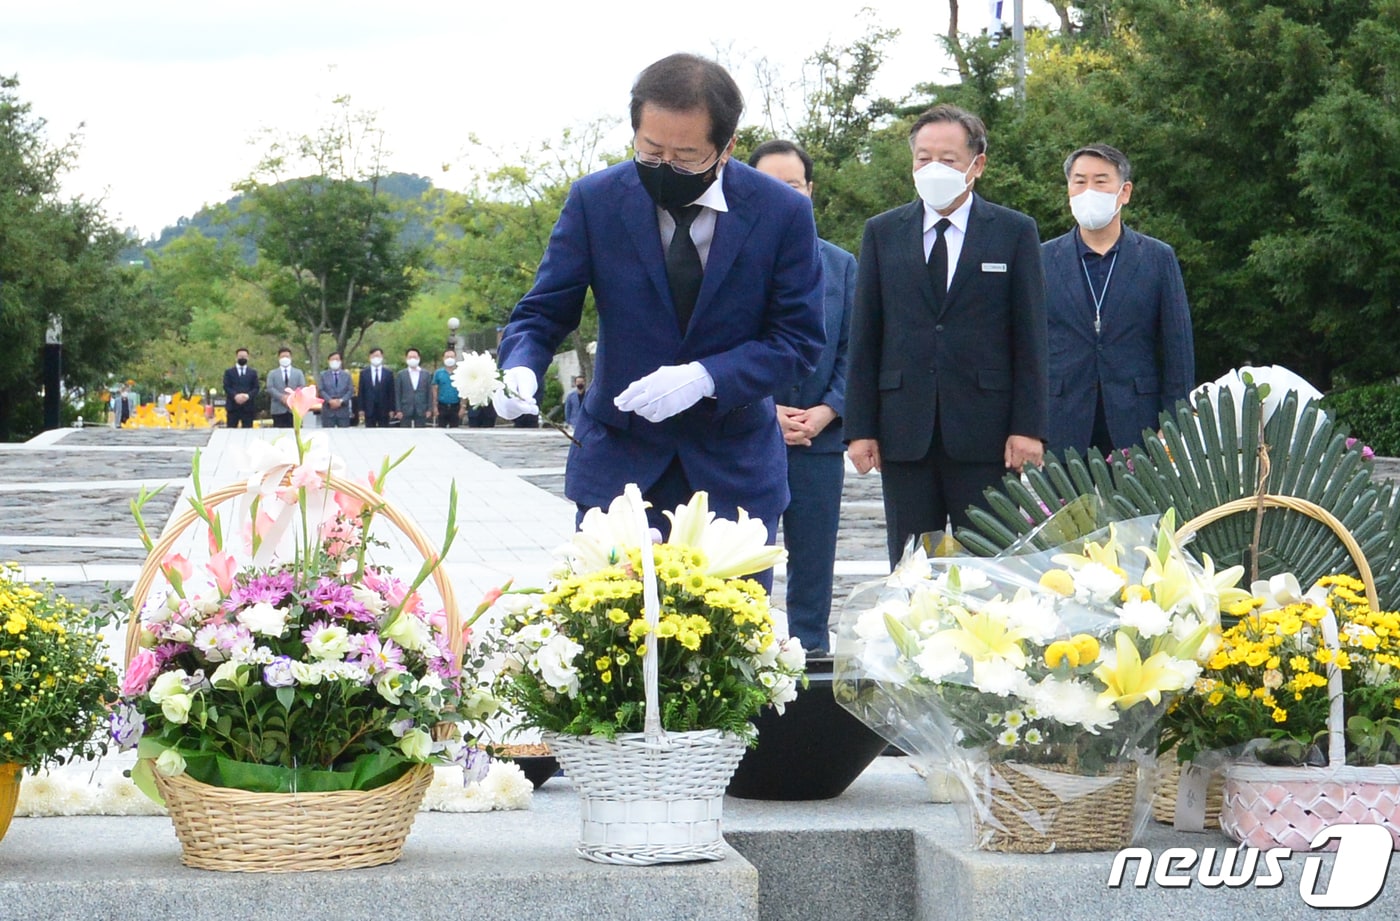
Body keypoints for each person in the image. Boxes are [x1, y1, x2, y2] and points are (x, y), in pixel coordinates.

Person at [491, 53, 825, 583]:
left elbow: (798, 342)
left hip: (731, 473)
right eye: (651, 151)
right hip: (620, 468)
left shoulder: (780, 212)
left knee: (726, 654)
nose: (666, 167)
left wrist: (706, 377)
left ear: (727, 146)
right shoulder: (596, 200)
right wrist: (520, 365)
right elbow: (542, 312)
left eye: (687, 156)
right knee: (610, 651)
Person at [845, 103, 1048, 568]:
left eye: (948, 159)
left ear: (977, 165)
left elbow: (1032, 337)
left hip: (987, 431)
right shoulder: (883, 233)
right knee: (915, 566)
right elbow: (866, 335)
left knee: (989, 564)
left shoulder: (1013, 233)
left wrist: (1029, 427)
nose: (933, 168)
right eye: (923, 157)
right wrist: (860, 429)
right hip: (905, 431)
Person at [749, 139, 855, 656]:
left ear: (809, 191)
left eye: (792, 186)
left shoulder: (841, 266)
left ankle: (811, 654)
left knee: (815, 560)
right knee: (748, 561)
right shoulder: (732, 266)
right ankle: (749, 658)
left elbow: (856, 347)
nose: (783, 196)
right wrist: (765, 411)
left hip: (821, 438)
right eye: (769, 186)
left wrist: (829, 408)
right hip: (749, 438)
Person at [1042, 144, 1194, 458]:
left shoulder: (1156, 257)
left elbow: (1177, 345)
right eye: (1079, 181)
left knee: (1140, 509)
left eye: (1100, 181)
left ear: (1124, 192)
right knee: (1065, 507)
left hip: (1138, 417)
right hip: (1062, 417)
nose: (1088, 191)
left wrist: (1175, 418)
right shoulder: (1041, 259)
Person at [266, 347, 307, 429]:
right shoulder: (272, 373)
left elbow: (302, 387)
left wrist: (291, 397)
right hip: (278, 409)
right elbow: (270, 388)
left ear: (291, 358)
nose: (285, 359)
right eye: (282, 357)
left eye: (287, 357)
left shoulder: (298, 373)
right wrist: (282, 397)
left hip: (294, 409)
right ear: (278, 358)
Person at [394, 348, 433, 428]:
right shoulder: (401, 374)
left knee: (421, 434)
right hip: (405, 409)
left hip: (421, 409)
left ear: (419, 358)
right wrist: (398, 410)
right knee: (404, 433)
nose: (412, 359)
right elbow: (397, 393)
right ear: (406, 359)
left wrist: (429, 409)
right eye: (410, 357)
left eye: (414, 357)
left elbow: (429, 393)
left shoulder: (426, 374)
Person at [222, 347, 259, 429]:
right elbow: (226, 386)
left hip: (248, 407)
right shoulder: (229, 372)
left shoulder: (253, 373)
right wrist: (235, 396)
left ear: (248, 358)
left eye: (244, 356)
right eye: (240, 356)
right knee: (231, 431)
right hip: (233, 407)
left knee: (248, 431)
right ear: (236, 357)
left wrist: (247, 396)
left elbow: (256, 388)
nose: (242, 358)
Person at [358, 348, 395, 428]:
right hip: (369, 409)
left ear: (382, 357)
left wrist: (392, 409)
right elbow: (361, 392)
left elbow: (391, 392)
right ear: (370, 357)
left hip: (384, 409)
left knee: (384, 432)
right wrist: (361, 409)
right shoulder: (364, 373)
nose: (376, 358)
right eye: (373, 356)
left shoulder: (388, 373)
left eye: (378, 356)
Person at [318, 351, 354, 428]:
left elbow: (350, 390)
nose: (335, 362)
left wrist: (340, 401)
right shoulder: (323, 375)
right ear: (328, 361)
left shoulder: (347, 375)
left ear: (341, 361)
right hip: (328, 411)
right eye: (332, 360)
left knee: (344, 435)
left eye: (337, 359)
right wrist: (330, 401)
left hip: (343, 411)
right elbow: (321, 390)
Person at [432, 350, 462, 428]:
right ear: (443, 358)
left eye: (451, 357)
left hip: (456, 406)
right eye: (447, 357)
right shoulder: (438, 373)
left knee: (455, 430)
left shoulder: (460, 372)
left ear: (455, 358)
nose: (449, 359)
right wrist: (435, 407)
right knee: (441, 430)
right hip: (442, 406)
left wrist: (463, 407)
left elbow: (464, 390)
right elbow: (434, 389)